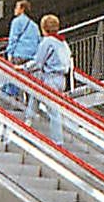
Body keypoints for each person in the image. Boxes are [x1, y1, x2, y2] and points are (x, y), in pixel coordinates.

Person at [24, 13, 74, 145]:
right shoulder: (63, 42)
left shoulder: (47, 42)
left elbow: (38, 61)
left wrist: (23, 68)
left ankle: (58, 142)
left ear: (43, 28)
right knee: (36, 93)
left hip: (50, 78)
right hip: (61, 79)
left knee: (53, 111)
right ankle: (28, 120)